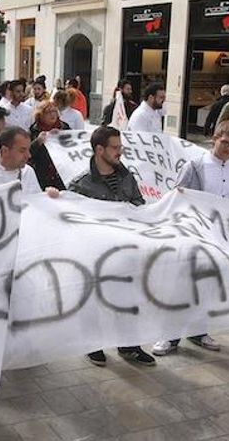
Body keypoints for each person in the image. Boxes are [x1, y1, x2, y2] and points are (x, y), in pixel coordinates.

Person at [153, 120, 229, 357]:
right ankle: (169, 336)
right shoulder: (195, 166)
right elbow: (177, 198)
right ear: (215, 138)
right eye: (226, 143)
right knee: (181, 287)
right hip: (194, 236)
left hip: (221, 238)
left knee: (208, 285)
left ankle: (198, 330)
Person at [67, 127, 156, 367]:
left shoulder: (127, 177)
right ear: (99, 150)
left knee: (127, 298)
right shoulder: (80, 185)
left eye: (120, 147)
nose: (120, 152)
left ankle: (129, 345)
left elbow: (139, 204)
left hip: (125, 251)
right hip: (94, 254)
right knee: (93, 298)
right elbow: (71, 222)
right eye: (115, 147)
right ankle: (92, 344)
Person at [0, 126, 42, 193]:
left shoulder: (28, 172)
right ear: (5, 151)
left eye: (28, 150)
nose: (29, 156)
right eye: (22, 150)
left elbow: (37, 202)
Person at [29, 101, 69, 190]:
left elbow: (72, 147)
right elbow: (27, 153)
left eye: (54, 111)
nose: (52, 114)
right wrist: (37, 142)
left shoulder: (64, 127)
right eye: (48, 112)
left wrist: (62, 137)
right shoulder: (34, 130)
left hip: (62, 175)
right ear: (41, 115)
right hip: (42, 175)